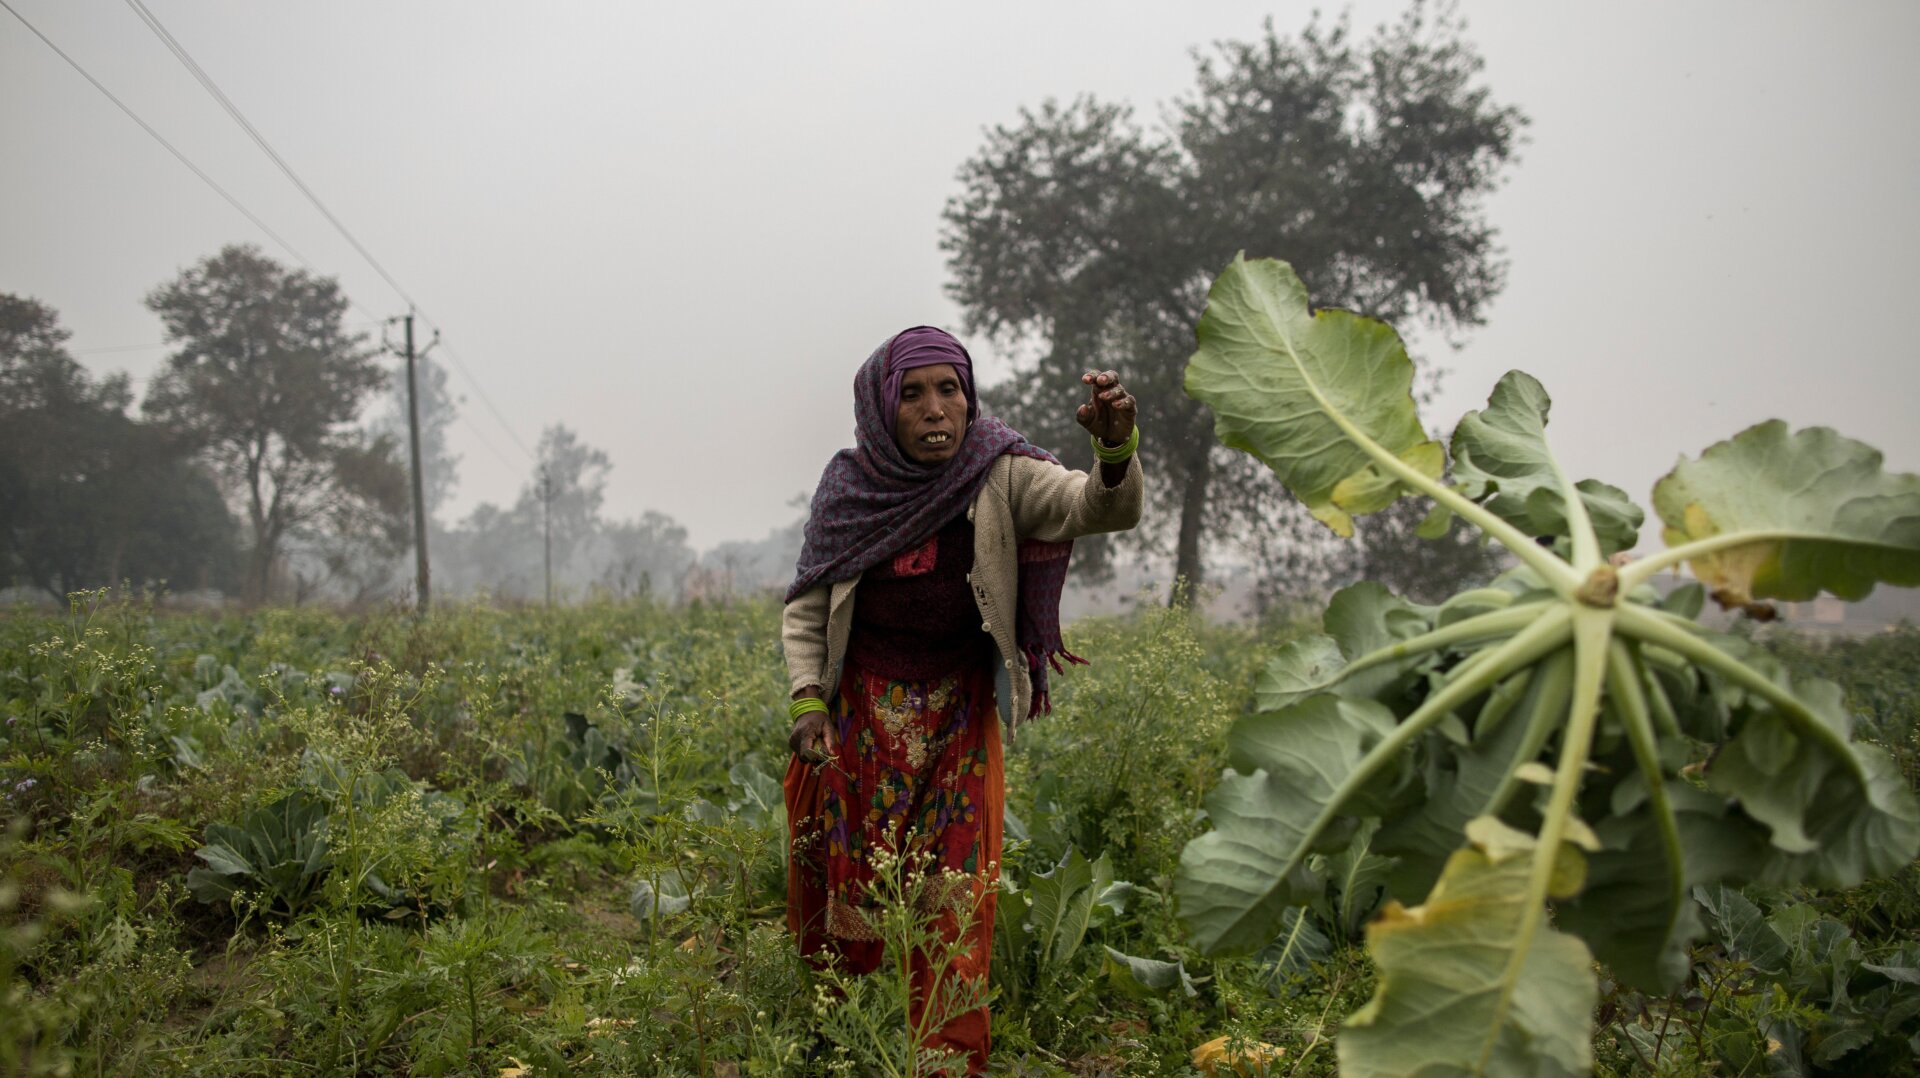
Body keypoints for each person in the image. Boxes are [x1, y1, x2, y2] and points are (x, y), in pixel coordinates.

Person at [780, 325, 1143, 1071]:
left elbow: (1094, 507)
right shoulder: (851, 488)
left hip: (957, 720)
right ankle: (839, 1039)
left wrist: (1113, 452)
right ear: (883, 409)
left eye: (950, 388)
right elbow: (809, 605)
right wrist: (808, 699)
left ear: (970, 398)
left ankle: (945, 1058)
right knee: (845, 888)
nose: (935, 407)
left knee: (955, 893)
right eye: (912, 394)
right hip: (861, 720)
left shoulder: (1000, 472)